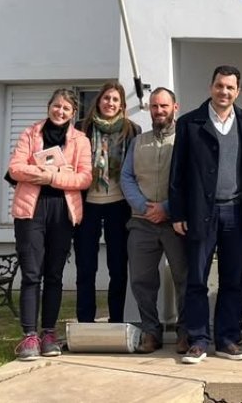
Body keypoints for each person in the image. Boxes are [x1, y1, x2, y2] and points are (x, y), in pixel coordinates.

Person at [169, 65, 242, 364]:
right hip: (199, 213)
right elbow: (177, 172)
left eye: (230, 87)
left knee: (234, 279)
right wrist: (178, 212)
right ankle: (198, 340)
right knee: (197, 279)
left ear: (237, 91)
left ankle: (227, 339)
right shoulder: (190, 123)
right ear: (211, 87)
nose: (224, 92)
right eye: (220, 86)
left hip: (237, 212)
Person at [10, 89, 93, 361]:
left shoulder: (80, 140)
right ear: (49, 106)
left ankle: (48, 333)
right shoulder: (30, 133)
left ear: (73, 113)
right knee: (32, 273)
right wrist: (54, 172)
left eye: (66, 108)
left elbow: (83, 179)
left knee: (54, 275)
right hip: (30, 210)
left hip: (62, 211)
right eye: (57, 106)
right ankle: (30, 336)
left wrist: (51, 178)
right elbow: (15, 169)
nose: (60, 111)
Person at [120, 87, 188, 354]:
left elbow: (192, 180)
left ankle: (185, 332)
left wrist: (167, 208)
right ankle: (151, 331)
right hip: (142, 222)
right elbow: (126, 177)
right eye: (154, 106)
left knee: (184, 278)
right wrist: (143, 206)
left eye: (164, 106)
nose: (159, 111)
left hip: (176, 222)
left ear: (175, 107)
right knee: (141, 279)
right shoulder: (138, 142)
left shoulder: (186, 140)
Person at [74, 81, 142, 324]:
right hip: (87, 203)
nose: (110, 103)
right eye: (106, 98)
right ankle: (85, 321)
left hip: (119, 204)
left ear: (122, 105)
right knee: (86, 267)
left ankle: (115, 321)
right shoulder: (81, 128)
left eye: (115, 100)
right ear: (98, 101)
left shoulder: (132, 130)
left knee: (118, 267)